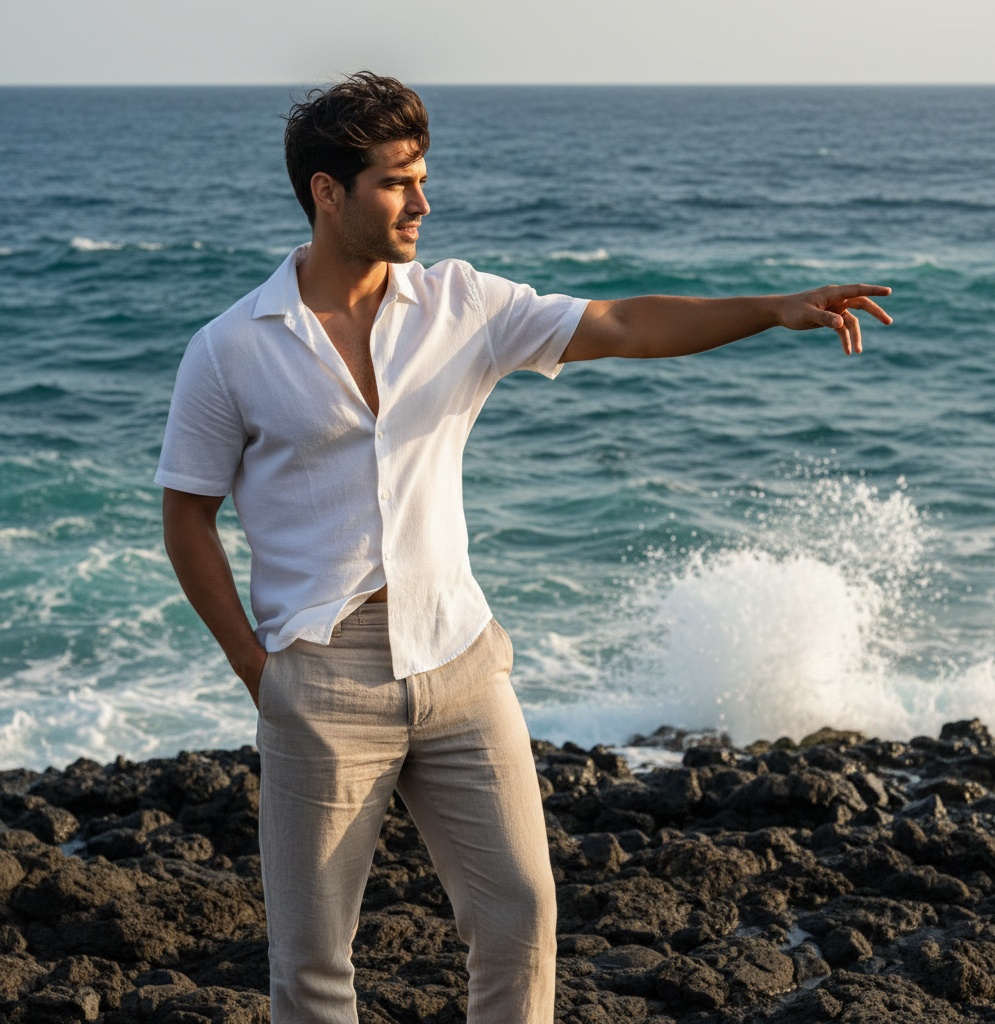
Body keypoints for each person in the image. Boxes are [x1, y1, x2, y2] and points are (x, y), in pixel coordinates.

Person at [156, 72, 892, 1024]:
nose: (423, 201)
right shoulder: (230, 349)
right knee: (311, 965)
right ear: (326, 192)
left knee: (522, 919)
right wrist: (262, 671)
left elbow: (622, 323)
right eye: (396, 182)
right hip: (323, 677)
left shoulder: (462, 305)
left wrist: (771, 309)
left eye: (423, 177)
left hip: (461, 660)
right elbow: (187, 519)